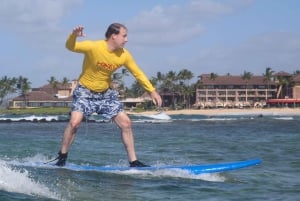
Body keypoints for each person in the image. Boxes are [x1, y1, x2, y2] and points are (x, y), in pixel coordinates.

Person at [53, 23, 162, 167]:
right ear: (113, 36)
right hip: (85, 91)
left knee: (126, 123)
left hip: (105, 94)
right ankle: (62, 157)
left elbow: (138, 73)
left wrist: (152, 90)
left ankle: (133, 161)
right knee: (74, 122)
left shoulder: (124, 55)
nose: (126, 39)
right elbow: (70, 47)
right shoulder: (94, 47)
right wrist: (74, 36)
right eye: (124, 35)